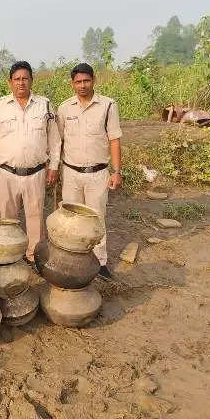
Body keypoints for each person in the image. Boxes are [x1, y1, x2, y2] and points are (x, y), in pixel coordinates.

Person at [0, 61, 61, 264]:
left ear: (32, 80)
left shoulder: (44, 104)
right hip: (6, 173)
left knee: (35, 218)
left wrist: (53, 166)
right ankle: (10, 255)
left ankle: (34, 257)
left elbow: (54, 139)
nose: (21, 83)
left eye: (25, 78)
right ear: (10, 82)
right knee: (7, 219)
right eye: (16, 79)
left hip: (36, 172)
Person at [57, 63, 122, 279]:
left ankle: (100, 262)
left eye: (86, 81)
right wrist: (54, 169)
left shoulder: (108, 105)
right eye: (78, 82)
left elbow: (114, 139)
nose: (82, 85)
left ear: (94, 80)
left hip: (98, 173)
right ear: (72, 83)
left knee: (96, 218)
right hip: (71, 173)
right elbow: (58, 141)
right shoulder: (65, 108)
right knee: (71, 219)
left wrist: (116, 171)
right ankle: (73, 259)